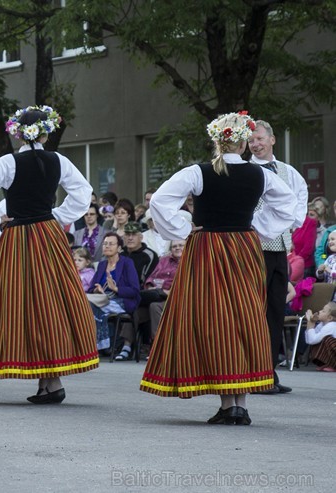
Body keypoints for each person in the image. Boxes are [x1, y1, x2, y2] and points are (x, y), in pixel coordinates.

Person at [140, 111, 298, 425]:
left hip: (208, 246)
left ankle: (229, 404)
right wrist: (258, 228)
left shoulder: (199, 172)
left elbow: (158, 201)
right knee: (244, 316)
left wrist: (183, 231)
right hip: (244, 248)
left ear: (217, 140)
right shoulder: (261, 174)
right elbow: (289, 205)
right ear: (243, 142)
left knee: (214, 318)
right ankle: (238, 402)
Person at [0, 104, 98, 404]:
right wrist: (57, 215)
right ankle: (50, 380)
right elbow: (84, 193)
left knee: (18, 303)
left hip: (18, 237)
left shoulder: (8, 163)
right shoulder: (58, 161)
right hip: (47, 235)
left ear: (18, 135)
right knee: (50, 301)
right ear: (45, 133)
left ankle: (48, 379)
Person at [248, 120, 308, 395]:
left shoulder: (287, 171)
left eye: (260, 139)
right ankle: (250, 371)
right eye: (251, 141)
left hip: (280, 249)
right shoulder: (244, 170)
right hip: (252, 248)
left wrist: (291, 224)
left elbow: (300, 196)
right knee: (253, 310)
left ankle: (268, 372)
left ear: (272, 140)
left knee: (274, 309)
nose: (256, 144)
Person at [88, 232, 140, 356]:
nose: (107, 246)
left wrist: (116, 288)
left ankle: (98, 345)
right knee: (83, 303)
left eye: (111, 244)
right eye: (105, 244)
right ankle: (94, 344)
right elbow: (91, 288)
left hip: (122, 301)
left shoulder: (127, 263)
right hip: (102, 299)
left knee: (91, 306)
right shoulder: (101, 265)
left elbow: (135, 290)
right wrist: (97, 290)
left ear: (119, 248)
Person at [304, 302, 336, 372]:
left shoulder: (331, 326)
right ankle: (328, 363)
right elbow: (310, 340)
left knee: (327, 339)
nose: (319, 312)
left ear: (330, 318)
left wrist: (311, 323)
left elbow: (312, 340)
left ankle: (333, 365)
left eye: (323, 311)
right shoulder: (321, 324)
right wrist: (310, 324)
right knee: (319, 341)